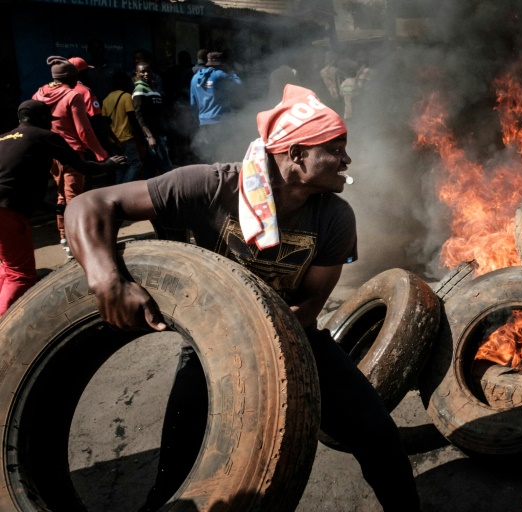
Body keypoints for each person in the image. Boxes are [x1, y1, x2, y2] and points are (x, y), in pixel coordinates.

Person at [64, 84, 420, 512]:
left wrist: (274, 336)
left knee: (377, 433)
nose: (347, 160)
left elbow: (310, 304)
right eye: (336, 148)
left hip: (293, 334)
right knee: (179, 467)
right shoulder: (210, 185)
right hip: (214, 340)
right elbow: (90, 203)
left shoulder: (336, 216)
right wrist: (107, 280)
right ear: (296, 154)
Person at [0, 100, 124, 316]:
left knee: (7, 268)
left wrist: (53, 209)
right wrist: (108, 165)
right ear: (41, 119)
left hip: (6, 207)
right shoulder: (44, 136)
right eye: (49, 118)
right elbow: (82, 166)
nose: (51, 123)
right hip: (7, 212)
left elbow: (13, 183)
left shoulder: (3, 138)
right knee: (20, 275)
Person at [32, 56, 108, 258]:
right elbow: (83, 130)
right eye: (76, 78)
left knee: (61, 196)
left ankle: (65, 239)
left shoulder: (39, 94)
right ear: (71, 78)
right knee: (74, 198)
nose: (78, 82)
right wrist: (101, 154)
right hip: (72, 153)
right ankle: (77, 243)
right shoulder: (72, 96)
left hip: (51, 152)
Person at [190, 52, 243, 163]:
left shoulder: (195, 78)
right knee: (223, 152)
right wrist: (231, 73)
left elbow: (193, 104)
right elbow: (239, 85)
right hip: (220, 121)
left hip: (203, 122)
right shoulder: (221, 75)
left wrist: (198, 120)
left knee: (209, 153)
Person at [133, 62, 172, 177]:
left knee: (150, 167)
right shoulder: (139, 89)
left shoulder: (152, 88)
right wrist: (150, 136)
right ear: (137, 74)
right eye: (142, 72)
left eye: (148, 71)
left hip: (160, 133)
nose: (146, 74)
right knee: (166, 167)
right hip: (153, 135)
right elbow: (139, 115)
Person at [102, 72, 143, 183]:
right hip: (126, 138)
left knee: (120, 168)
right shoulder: (126, 96)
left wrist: (115, 141)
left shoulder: (106, 99)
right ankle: (124, 187)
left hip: (113, 141)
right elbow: (132, 118)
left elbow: (105, 123)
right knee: (135, 164)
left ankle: (118, 192)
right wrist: (140, 135)